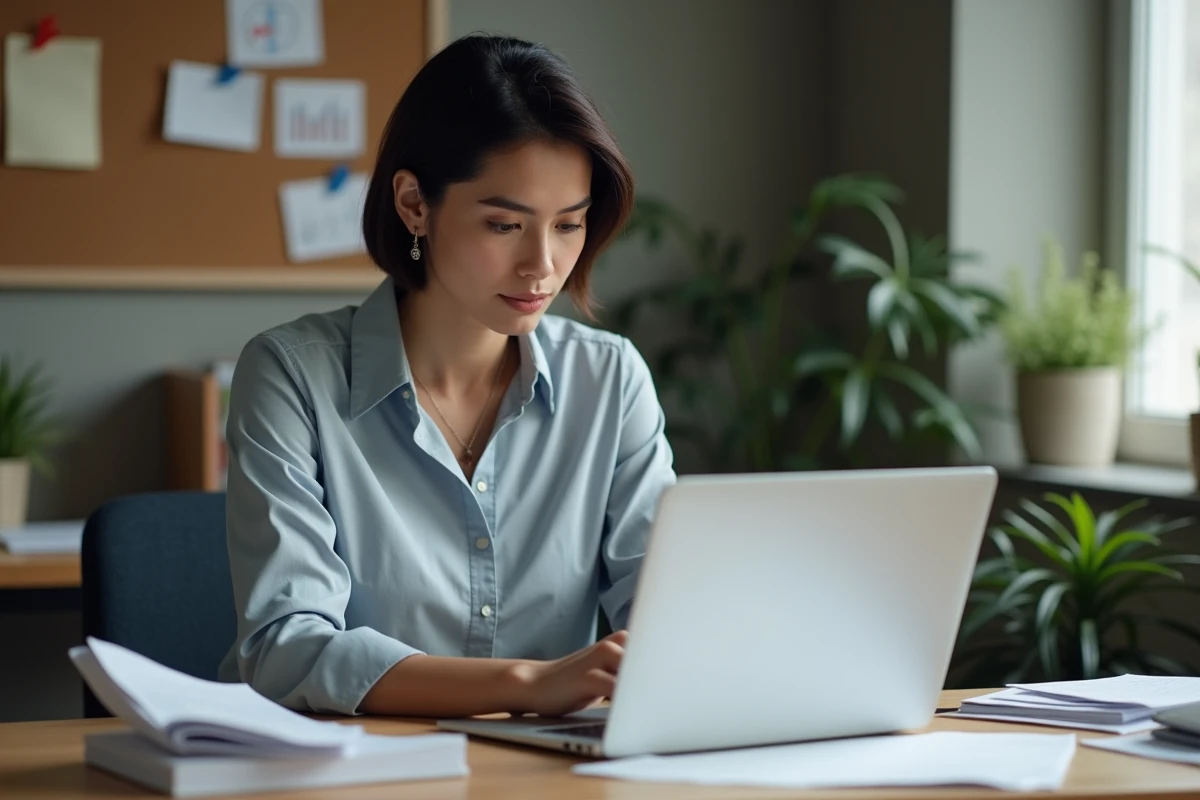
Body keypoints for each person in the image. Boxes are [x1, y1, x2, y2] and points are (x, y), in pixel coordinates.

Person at [217, 33, 676, 719]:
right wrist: (524, 685)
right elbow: (288, 647)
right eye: (503, 225)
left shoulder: (611, 382)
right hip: (343, 773)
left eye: (569, 225)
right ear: (413, 204)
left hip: (547, 777)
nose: (542, 265)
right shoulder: (291, 376)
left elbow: (669, 615)